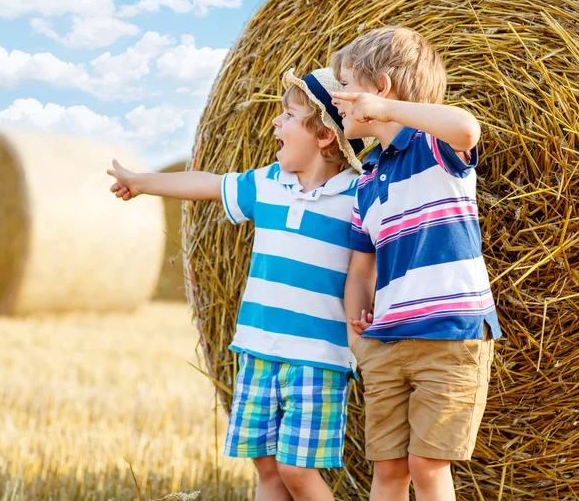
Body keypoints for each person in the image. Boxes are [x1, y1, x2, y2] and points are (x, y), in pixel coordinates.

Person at [107, 67, 367, 501]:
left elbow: (371, 270)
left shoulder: (358, 197)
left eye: (288, 115)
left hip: (318, 358)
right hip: (258, 349)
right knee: (266, 467)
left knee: (297, 472)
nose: (275, 122)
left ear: (323, 135)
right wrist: (142, 182)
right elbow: (206, 183)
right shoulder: (267, 184)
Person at [330, 27, 502, 501]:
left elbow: (467, 126)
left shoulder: (435, 147)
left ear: (380, 88)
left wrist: (386, 111)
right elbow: (362, 268)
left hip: (449, 336)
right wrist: (356, 338)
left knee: (426, 466)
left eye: (345, 85)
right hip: (385, 343)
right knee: (387, 470)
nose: (337, 99)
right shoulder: (368, 182)